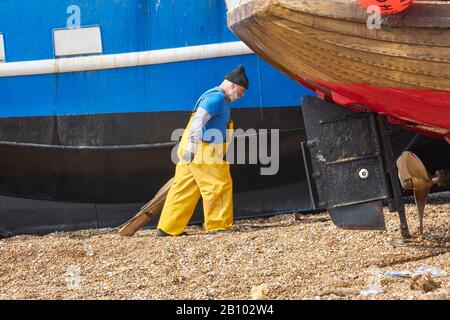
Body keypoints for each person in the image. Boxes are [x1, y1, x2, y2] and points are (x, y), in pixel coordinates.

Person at [156, 65, 249, 236]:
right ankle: (219, 225)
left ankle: (168, 228)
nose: (242, 96)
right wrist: (193, 147)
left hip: (192, 147)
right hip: (202, 149)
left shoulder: (213, 96)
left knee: (184, 187)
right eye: (242, 91)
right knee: (219, 184)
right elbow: (198, 120)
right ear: (233, 85)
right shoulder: (217, 99)